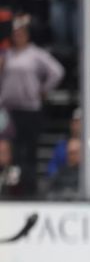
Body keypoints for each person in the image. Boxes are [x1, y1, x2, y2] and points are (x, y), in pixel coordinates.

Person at [0, 14, 64, 198]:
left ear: (27, 35)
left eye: (21, 32)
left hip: (30, 108)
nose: (18, 36)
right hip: (9, 109)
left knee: (29, 149)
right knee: (11, 151)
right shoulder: (7, 55)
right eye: (15, 33)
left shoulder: (35, 54)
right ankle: (11, 188)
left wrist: (44, 89)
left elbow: (57, 71)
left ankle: (29, 188)